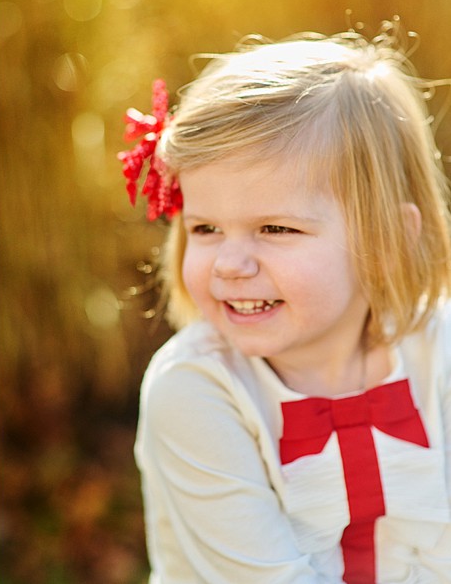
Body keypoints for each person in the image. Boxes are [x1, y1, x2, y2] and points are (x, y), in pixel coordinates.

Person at [122, 29, 451, 583]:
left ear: (388, 239)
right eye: (205, 227)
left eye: (275, 227)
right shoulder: (196, 390)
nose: (230, 263)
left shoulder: (436, 347)